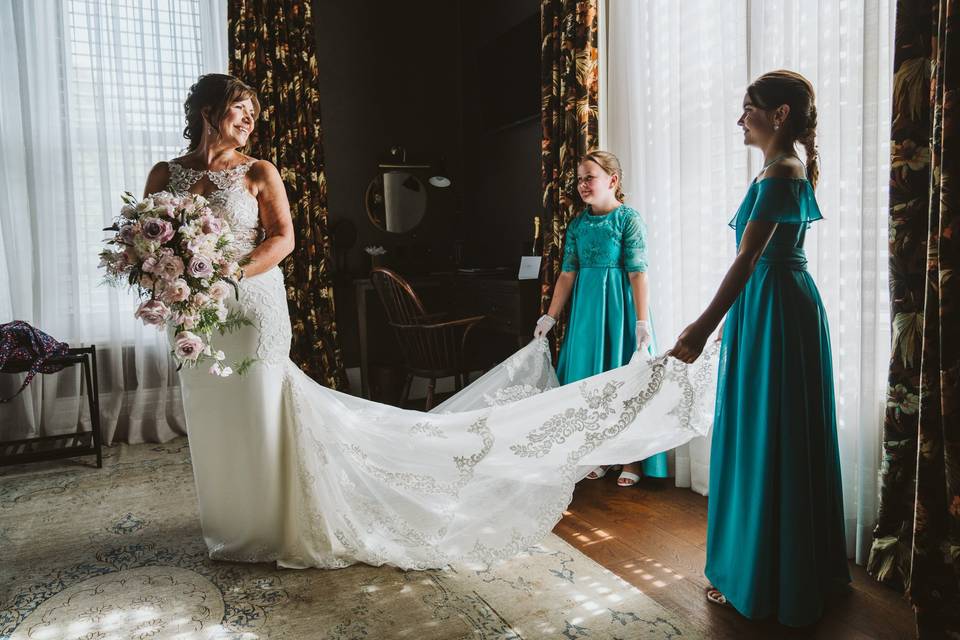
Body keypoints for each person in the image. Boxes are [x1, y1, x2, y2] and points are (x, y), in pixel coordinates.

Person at [145, 74, 718, 570]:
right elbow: (150, 246)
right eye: (238, 109)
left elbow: (283, 238)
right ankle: (231, 518)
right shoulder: (162, 174)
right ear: (205, 113)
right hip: (194, 313)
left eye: (253, 112)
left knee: (259, 406)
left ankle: (274, 517)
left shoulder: (260, 170)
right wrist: (171, 282)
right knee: (214, 409)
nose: (248, 120)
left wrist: (229, 275)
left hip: (249, 305)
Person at [668, 70, 849, 627]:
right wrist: (732, 321)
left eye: (748, 108)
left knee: (770, 432)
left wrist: (698, 327)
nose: (740, 118)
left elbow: (747, 259)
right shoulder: (780, 170)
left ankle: (769, 573)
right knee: (765, 430)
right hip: (767, 307)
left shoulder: (783, 173)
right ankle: (772, 564)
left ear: (780, 115)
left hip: (774, 306)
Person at [534, 150, 667, 487]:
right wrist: (550, 317)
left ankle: (632, 460)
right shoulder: (578, 224)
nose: (582, 185)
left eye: (588, 177)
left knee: (626, 381)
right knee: (589, 380)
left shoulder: (628, 220)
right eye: (579, 179)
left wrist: (641, 322)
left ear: (612, 180)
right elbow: (566, 274)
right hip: (587, 312)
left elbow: (639, 273)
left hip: (621, 308)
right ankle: (597, 453)